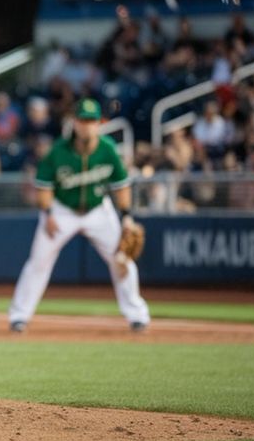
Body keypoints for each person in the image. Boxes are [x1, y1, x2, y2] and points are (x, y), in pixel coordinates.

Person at [8, 98, 151, 333]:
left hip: (98, 210)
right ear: (74, 123)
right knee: (38, 263)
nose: (87, 125)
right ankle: (19, 316)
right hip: (62, 210)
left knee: (123, 258)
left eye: (91, 121)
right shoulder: (57, 152)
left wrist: (126, 216)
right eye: (83, 120)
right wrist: (48, 214)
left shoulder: (107, 150)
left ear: (99, 123)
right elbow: (43, 188)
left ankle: (137, 315)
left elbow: (121, 185)